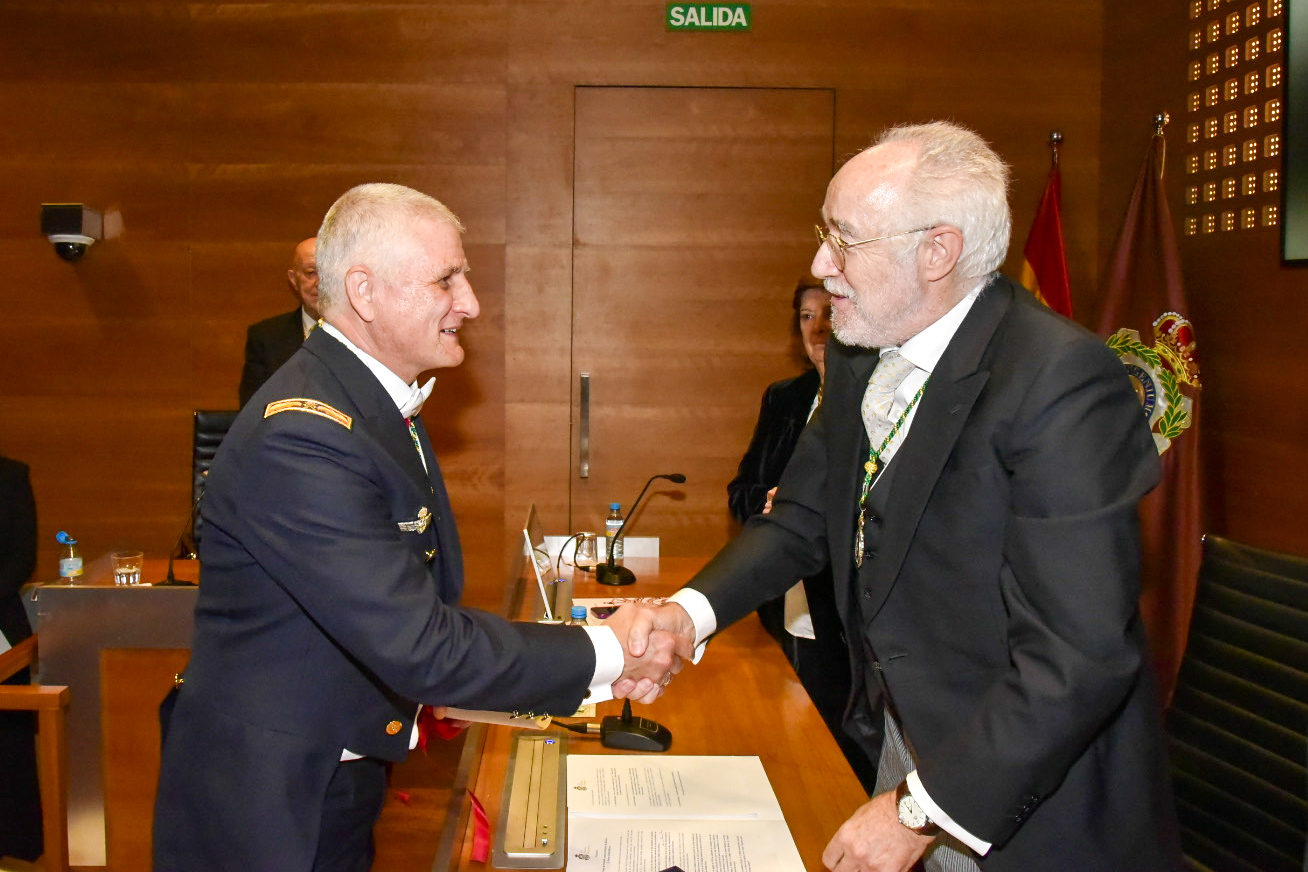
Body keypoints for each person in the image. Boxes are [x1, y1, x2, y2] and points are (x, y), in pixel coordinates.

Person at [626, 122, 1182, 871]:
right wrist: (685, 616)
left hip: (1024, 801)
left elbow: (1079, 658)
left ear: (938, 251)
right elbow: (799, 519)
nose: (821, 265)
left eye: (845, 239)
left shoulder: (1060, 382)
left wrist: (922, 810)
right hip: (903, 747)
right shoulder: (861, 352)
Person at [154, 183, 682, 872]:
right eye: (446, 280)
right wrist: (608, 651)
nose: (470, 303)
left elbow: (407, 605)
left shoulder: (374, 403)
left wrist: (443, 689)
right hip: (264, 804)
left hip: (332, 769)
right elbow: (418, 641)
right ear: (364, 292)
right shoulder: (305, 432)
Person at [727, 278, 877, 791]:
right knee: (785, 749)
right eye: (806, 317)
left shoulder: (877, 402)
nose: (817, 329)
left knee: (842, 755)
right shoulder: (785, 398)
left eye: (827, 314)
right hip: (781, 602)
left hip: (843, 615)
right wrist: (776, 505)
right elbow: (741, 488)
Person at [0, 455, 41, 863]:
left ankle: (14, 845)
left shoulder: (11, 475)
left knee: (8, 739)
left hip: (1, 627)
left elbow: (20, 558)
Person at [238, 237, 321, 407]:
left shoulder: (361, 336)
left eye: (327, 273)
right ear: (293, 279)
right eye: (311, 273)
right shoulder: (266, 338)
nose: (319, 283)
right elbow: (252, 410)